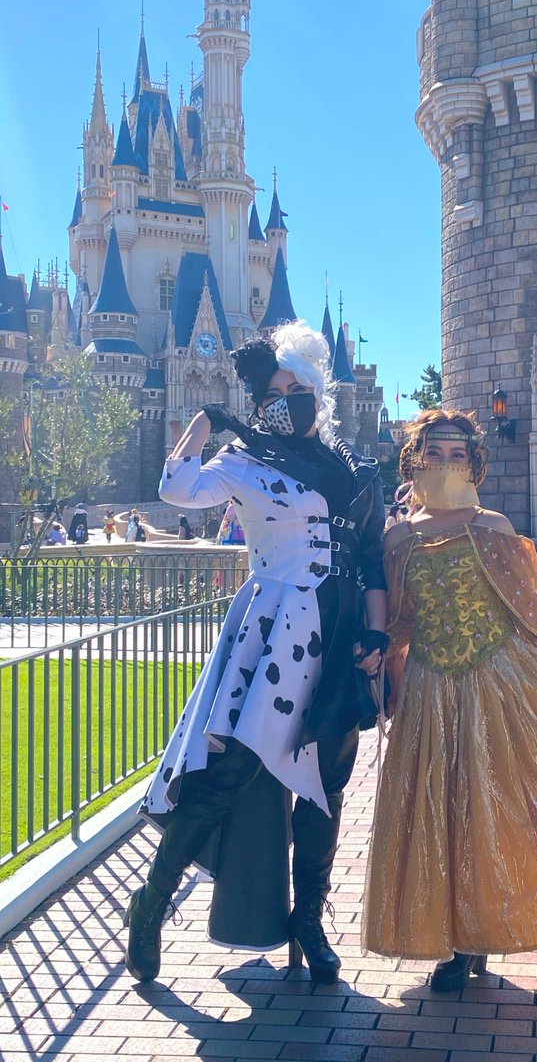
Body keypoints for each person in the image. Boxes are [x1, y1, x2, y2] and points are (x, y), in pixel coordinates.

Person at [123, 321, 388, 986]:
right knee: (231, 771)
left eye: (293, 389)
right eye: (271, 393)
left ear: (316, 390)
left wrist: (377, 636)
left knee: (326, 786)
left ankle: (309, 922)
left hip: (341, 634)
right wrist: (204, 424)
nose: (283, 401)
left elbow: (373, 559)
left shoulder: (354, 469)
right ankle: (150, 904)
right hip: (276, 633)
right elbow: (178, 490)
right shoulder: (246, 460)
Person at [362, 409, 537, 993]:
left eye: (456, 454)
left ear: (473, 464)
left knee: (527, 810)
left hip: (502, 687)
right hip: (431, 695)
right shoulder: (397, 537)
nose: (445, 464)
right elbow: (402, 620)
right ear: (414, 460)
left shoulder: (493, 527)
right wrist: (384, 667)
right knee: (449, 819)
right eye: (434, 453)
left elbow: (532, 615)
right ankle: (462, 942)